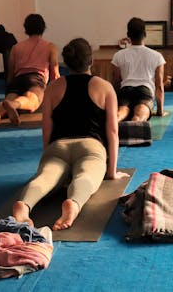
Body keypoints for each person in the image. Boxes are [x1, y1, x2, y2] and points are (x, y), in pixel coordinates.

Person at [12, 38, 129, 230]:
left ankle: (23, 206)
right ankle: (73, 203)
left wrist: (47, 155)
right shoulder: (104, 87)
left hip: (58, 146)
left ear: (67, 63)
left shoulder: (52, 88)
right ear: (90, 61)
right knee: (85, 177)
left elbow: (46, 127)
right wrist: (112, 172)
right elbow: (113, 131)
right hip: (90, 147)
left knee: (45, 177)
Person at [0, 14, 60, 126]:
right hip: (36, 79)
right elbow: (55, 74)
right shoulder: (50, 46)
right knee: (32, 101)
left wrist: (9, 89)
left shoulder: (16, 47)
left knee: (11, 98)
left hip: (17, 79)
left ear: (26, 29)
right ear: (43, 28)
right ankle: (14, 105)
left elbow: (10, 74)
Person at [111, 17, 166, 122]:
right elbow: (159, 86)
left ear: (128, 35)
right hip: (144, 91)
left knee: (122, 110)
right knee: (141, 111)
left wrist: (114, 104)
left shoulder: (118, 55)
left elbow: (116, 82)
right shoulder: (157, 56)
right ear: (145, 34)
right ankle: (137, 121)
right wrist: (160, 111)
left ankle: (117, 118)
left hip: (125, 90)